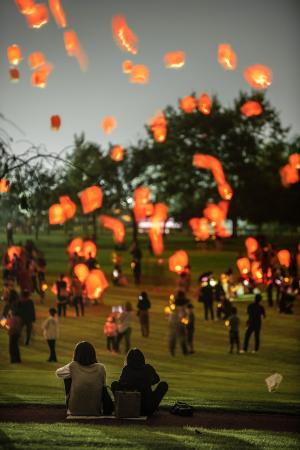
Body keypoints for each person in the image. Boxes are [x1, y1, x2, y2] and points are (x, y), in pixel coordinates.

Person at [56, 341, 111, 416]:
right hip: (94, 410)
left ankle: (74, 407)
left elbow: (58, 373)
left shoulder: (73, 366)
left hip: (75, 411)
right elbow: (103, 386)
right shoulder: (100, 368)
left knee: (67, 378)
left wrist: (73, 365)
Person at [111, 348, 168, 416]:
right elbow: (157, 379)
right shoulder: (148, 368)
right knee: (163, 385)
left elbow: (121, 383)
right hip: (147, 408)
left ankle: (121, 405)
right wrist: (147, 382)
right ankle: (152, 406)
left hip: (130, 406)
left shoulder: (127, 369)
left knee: (114, 384)